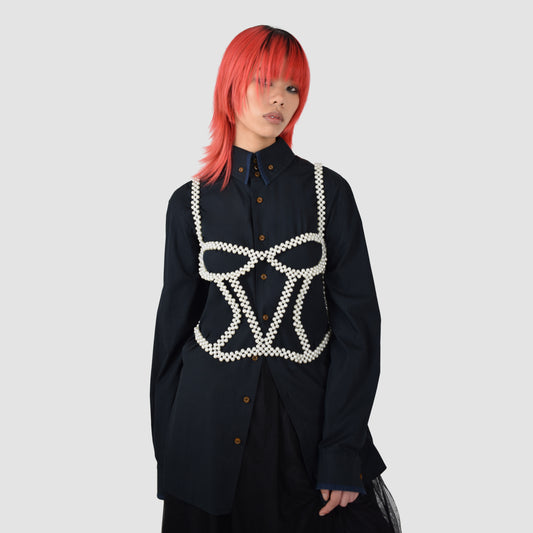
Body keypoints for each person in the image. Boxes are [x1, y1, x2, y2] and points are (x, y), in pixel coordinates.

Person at [150, 25, 402, 533]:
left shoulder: (329, 192)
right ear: (231, 83)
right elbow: (171, 337)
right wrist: (170, 455)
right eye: (265, 81)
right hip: (205, 433)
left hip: (308, 430)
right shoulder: (189, 204)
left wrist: (341, 448)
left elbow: (359, 329)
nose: (280, 99)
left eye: (292, 87)